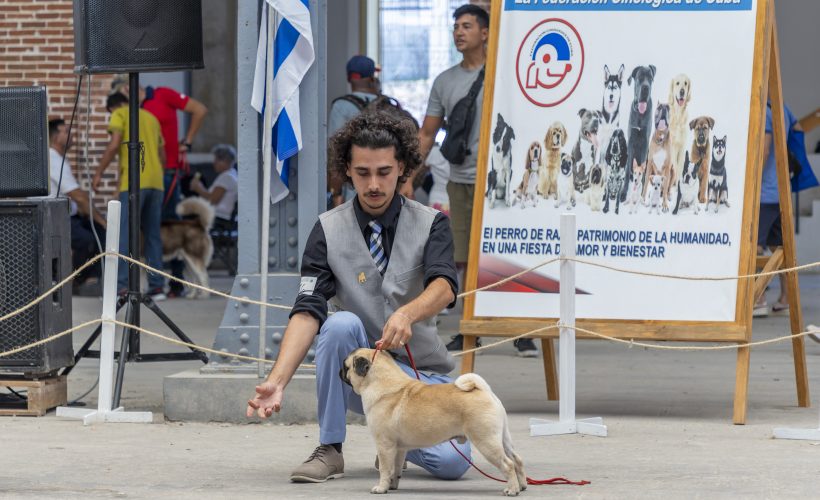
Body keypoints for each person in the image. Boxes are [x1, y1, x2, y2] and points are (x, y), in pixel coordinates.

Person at [246, 111, 472, 483]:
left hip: (423, 377)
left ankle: (392, 435)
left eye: (384, 172)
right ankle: (330, 449)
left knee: (452, 463)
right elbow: (306, 311)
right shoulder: (326, 229)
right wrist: (277, 381)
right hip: (362, 379)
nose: (373, 184)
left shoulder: (433, 223)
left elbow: (445, 286)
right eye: (362, 173)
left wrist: (407, 314)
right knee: (338, 324)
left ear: (402, 168)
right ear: (347, 171)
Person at [417, 5, 537, 356]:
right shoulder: (444, 81)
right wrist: (408, 175)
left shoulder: (505, 74)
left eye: (467, 26)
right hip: (460, 181)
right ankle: (471, 329)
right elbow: (428, 132)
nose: (459, 32)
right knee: (467, 258)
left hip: (503, 181)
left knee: (509, 253)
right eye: (456, 26)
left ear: (485, 33)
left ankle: (521, 330)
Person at [111, 75, 208, 297]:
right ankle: (156, 284)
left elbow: (200, 109)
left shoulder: (163, 94)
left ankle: (174, 283)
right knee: (150, 231)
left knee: (169, 227)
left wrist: (188, 140)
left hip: (168, 171)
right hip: (145, 176)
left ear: (127, 89)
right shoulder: (134, 113)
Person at [91, 92, 167, 301]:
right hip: (156, 182)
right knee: (152, 235)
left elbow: (115, 144)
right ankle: (158, 287)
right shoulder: (151, 118)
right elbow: (162, 153)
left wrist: (98, 173)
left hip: (135, 183)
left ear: (113, 107)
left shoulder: (120, 114)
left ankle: (121, 286)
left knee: (123, 234)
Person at [48, 118, 107, 296]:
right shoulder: (53, 159)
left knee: (100, 232)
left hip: (69, 216)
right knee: (88, 239)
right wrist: (103, 221)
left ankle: (92, 280)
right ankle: (73, 282)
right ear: (55, 136)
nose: (71, 135)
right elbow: (79, 196)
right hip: (54, 218)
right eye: (66, 131)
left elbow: (79, 199)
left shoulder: (59, 159)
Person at [754, 102, 800, 317]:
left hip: (764, 193)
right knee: (780, 247)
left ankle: (758, 298)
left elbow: (764, 149)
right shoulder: (784, 109)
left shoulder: (765, 111)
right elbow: (798, 130)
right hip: (781, 190)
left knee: (755, 246)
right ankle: (786, 298)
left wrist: (753, 184)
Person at [327, 55, 382, 207]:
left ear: (349, 78)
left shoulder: (341, 106)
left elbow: (335, 152)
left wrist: (336, 192)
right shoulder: (386, 104)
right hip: (385, 185)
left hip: (354, 187)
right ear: (372, 77)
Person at [189, 144, 238, 228]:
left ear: (225, 161)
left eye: (216, 159)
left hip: (219, 218)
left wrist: (199, 188)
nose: (214, 162)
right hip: (219, 216)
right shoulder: (231, 174)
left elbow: (212, 200)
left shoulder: (226, 177)